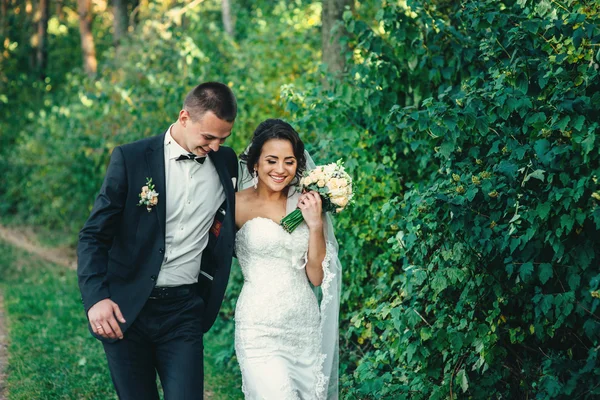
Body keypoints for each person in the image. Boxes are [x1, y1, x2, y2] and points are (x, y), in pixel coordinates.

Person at [77, 81, 239, 399]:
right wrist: (96, 298)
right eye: (209, 137)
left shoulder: (227, 163)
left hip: (183, 312)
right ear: (183, 118)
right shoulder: (131, 159)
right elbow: (93, 235)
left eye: (224, 138)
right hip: (126, 310)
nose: (216, 147)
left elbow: (273, 176)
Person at [235, 119, 341, 399]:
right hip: (258, 328)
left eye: (289, 161)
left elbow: (316, 277)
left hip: (304, 326)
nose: (281, 170)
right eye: (271, 160)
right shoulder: (234, 205)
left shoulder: (306, 203)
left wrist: (315, 224)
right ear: (255, 162)